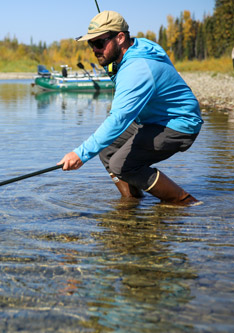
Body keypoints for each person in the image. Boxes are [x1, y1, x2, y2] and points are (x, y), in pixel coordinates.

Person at [58, 11, 203, 205]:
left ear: (120, 37)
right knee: (107, 150)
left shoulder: (137, 68)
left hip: (180, 123)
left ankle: (186, 202)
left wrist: (80, 154)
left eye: (99, 43)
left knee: (121, 165)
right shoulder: (137, 48)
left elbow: (118, 119)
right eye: (91, 44)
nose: (95, 50)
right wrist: (115, 68)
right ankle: (131, 204)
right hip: (153, 119)